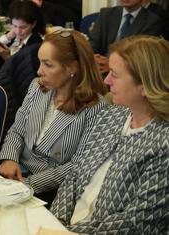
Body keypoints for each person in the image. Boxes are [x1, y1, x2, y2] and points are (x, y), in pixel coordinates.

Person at [51, 36, 169, 233]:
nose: (106, 80)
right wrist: (56, 222)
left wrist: (69, 233)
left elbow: (136, 222)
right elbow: (74, 176)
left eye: (114, 74)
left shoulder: (163, 143)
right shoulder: (111, 114)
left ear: (145, 85)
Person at [0, 30, 108, 205]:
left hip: (51, 190)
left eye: (48, 65)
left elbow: (77, 166)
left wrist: (29, 184)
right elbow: (17, 129)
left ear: (73, 68)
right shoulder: (38, 87)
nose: (39, 71)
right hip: (16, 171)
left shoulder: (96, 108)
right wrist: (9, 158)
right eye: (40, 62)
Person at [0, 0, 46, 133]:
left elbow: (26, 77)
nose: (18, 31)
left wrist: (8, 59)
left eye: (23, 27)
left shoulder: (36, 46)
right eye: (14, 25)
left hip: (14, 92)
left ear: (33, 24)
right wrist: (8, 36)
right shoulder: (14, 38)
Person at [89, 0, 162, 73]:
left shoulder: (151, 21)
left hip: (129, 72)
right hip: (98, 70)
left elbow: (140, 57)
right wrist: (93, 58)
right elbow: (92, 43)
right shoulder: (106, 14)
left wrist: (111, 64)